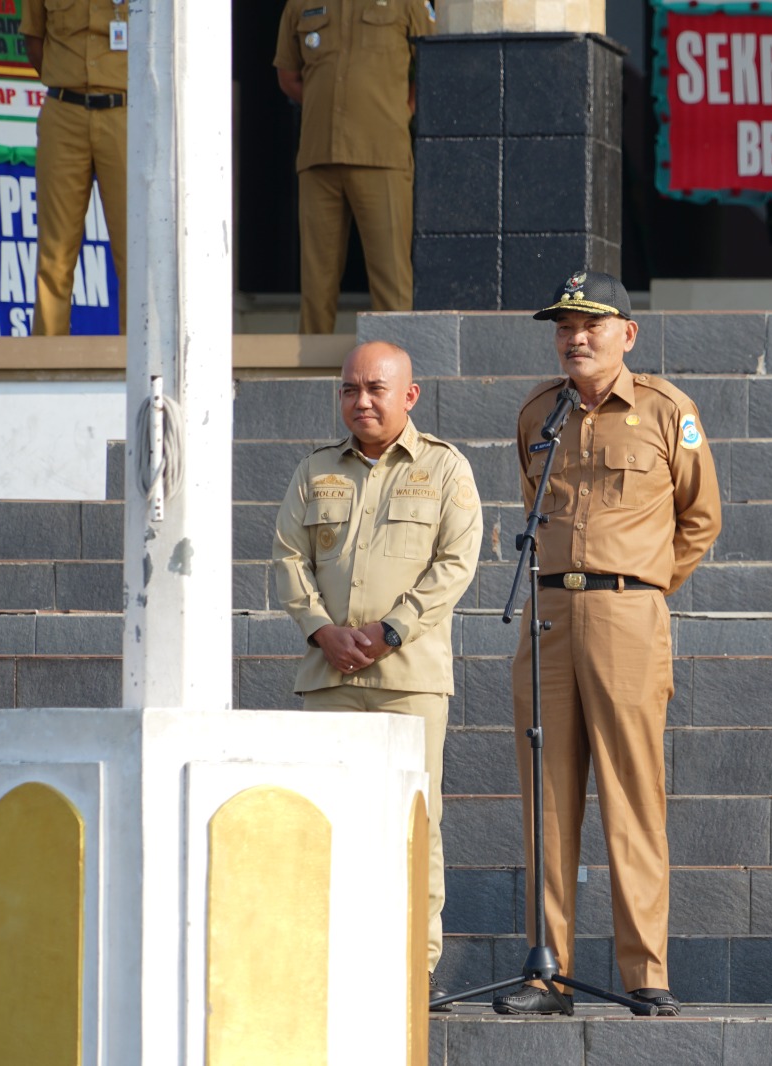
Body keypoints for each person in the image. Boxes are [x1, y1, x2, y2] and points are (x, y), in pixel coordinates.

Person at [494, 270, 722, 1017]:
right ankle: (546, 971)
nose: (575, 338)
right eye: (564, 326)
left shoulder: (665, 411)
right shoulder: (539, 412)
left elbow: (700, 518)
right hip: (550, 613)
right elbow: (533, 509)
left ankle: (644, 971)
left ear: (628, 333)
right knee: (547, 801)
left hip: (627, 612)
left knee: (632, 797)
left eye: (590, 325)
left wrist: (647, 587)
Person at [271, 340, 482, 1010]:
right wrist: (320, 629)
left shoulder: (445, 471)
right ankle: (329, 962)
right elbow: (286, 559)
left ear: (409, 396)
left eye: (376, 389)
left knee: (415, 823)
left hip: (410, 679)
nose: (361, 401)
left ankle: (412, 970)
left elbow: (455, 563)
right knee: (326, 821)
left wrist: (389, 631)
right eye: (349, 389)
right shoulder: (313, 472)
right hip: (328, 675)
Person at [274, 0, 434, 334]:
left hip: (382, 154)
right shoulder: (299, 4)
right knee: (316, 280)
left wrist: (403, 110)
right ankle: (312, 371)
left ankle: (397, 363)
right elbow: (288, 76)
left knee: (391, 276)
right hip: (319, 155)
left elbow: (434, 63)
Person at [20, 0, 128, 335]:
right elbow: (35, 42)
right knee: (55, 254)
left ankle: (140, 362)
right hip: (64, 112)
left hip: (125, 114)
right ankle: (48, 365)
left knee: (135, 250)